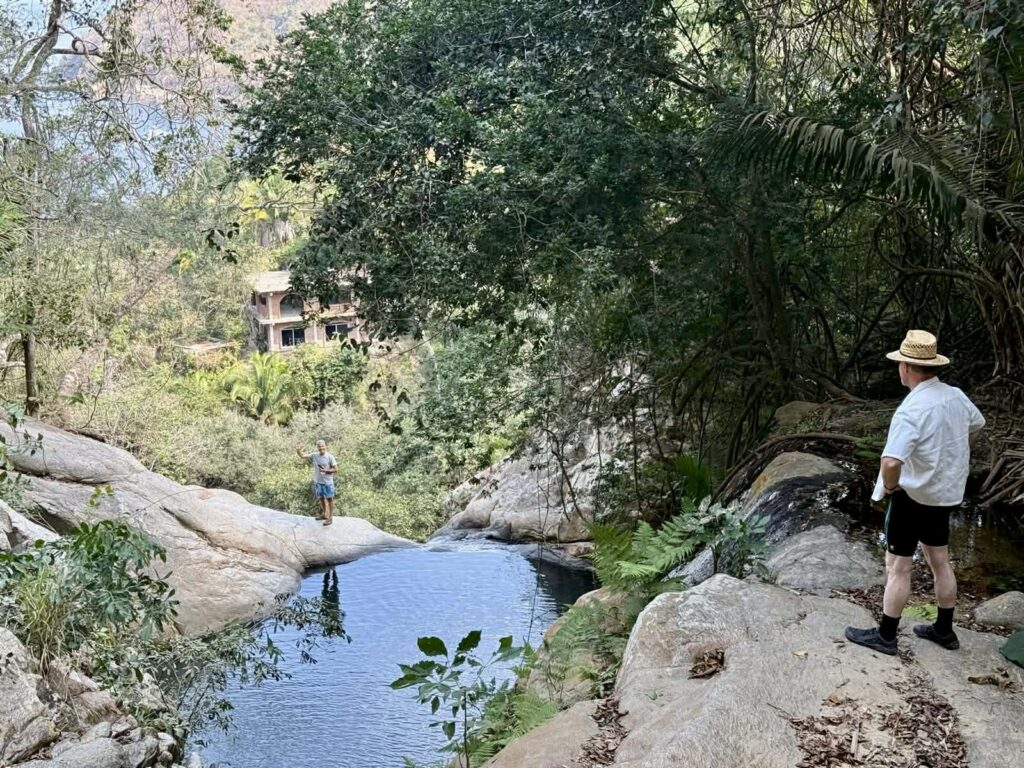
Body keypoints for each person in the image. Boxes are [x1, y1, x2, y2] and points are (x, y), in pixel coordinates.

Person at [845, 330, 985, 655]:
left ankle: (886, 635)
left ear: (906, 367)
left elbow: (891, 461)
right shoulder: (955, 396)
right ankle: (944, 630)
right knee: (940, 561)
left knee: (898, 565)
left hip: (911, 497)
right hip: (943, 495)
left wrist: (891, 486)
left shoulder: (912, 409)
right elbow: (977, 425)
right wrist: (954, 458)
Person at [295, 440, 338, 526]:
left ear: (325, 446)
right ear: (317, 447)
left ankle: (330, 518)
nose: (321, 448)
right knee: (321, 498)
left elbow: (336, 469)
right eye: (319, 446)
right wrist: (298, 450)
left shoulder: (330, 457)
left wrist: (326, 470)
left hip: (328, 482)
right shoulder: (315, 455)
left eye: (322, 446)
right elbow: (303, 456)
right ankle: (324, 514)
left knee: (329, 499)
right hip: (318, 481)